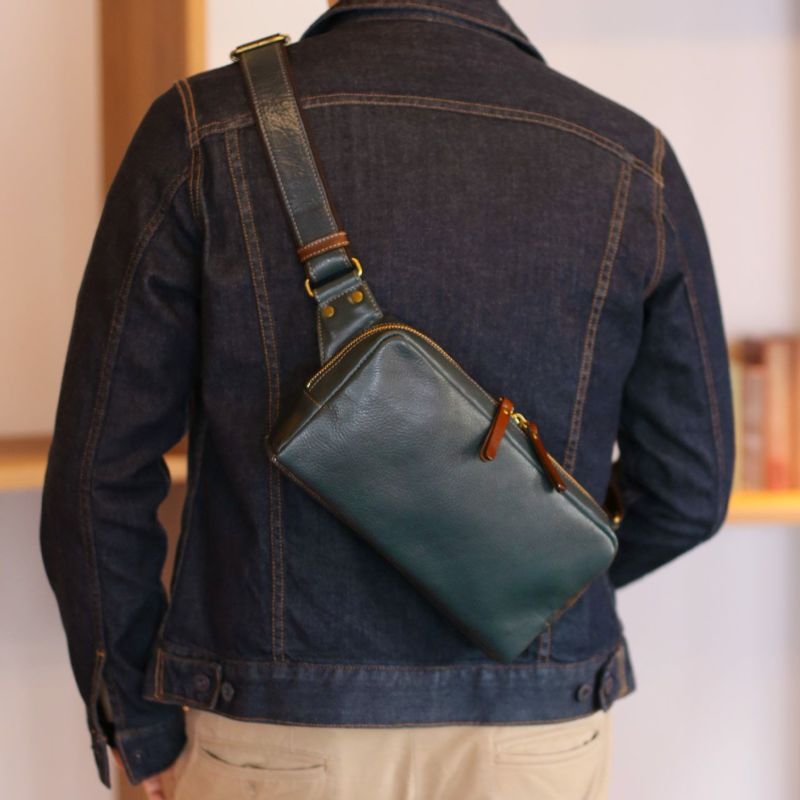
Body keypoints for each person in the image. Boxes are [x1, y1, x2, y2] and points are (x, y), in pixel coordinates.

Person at [40, 1, 735, 798]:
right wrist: (522, 581)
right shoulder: (631, 160)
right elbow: (688, 491)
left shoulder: (206, 128)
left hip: (273, 738)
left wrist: (139, 724)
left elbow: (95, 480)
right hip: (536, 735)